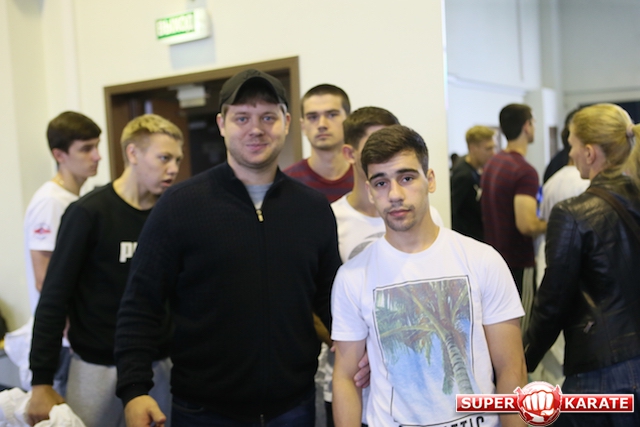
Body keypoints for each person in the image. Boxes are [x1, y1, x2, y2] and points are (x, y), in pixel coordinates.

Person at [115, 69, 368, 427]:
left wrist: (358, 349)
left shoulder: (312, 208)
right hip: (204, 410)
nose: (256, 129)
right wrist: (134, 389)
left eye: (268, 117)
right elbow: (140, 302)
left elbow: (330, 297)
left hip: (293, 407)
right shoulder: (180, 205)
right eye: (242, 118)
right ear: (222, 124)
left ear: (286, 122)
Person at [331, 125, 526, 427]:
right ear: (370, 191)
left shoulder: (483, 260)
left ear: (430, 180)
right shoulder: (352, 277)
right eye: (381, 183)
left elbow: (511, 369)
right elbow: (345, 378)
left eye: (406, 178)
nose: (394, 195)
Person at [28, 114, 184, 427]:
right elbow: (54, 297)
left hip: (158, 365)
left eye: (177, 160)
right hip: (97, 368)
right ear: (133, 153)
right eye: (164, 158)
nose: (173, 169)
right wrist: (41, 381)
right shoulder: (88, 213)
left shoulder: (171, 215)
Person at [524, 103, 640, 426]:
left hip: (602, 371)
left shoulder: (573, 213)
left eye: (572, 145)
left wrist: (521, 362)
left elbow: (552, 303)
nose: (570, 153)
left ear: (590, 153)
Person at [23, 111, 101, 396]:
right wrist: (71, 332)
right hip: (65, 342)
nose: (97, 156)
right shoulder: (51, 202)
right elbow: (44, 279)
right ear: (59, 155)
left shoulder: (74, 200)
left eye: (97, 146)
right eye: (86, 149)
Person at [481, 103, 546, 297]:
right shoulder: (525, 171)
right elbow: (527, 225)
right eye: (533, 122)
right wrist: (554, 222)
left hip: (495, 261)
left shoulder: (493, 162)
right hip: (518, 264)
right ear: (527, 126)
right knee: (523, 316)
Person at [284, 84, 353, 202]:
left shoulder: (366, 179)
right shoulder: (285, 184)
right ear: (303, 126)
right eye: (313, 117)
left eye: (332, 115)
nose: (322, 125)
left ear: (348, 121)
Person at [450, 125, 496, 241]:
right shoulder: (464, 176)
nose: (493, 153)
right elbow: (454, 213)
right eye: (488, 149)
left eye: (493, 148)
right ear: (473, 148)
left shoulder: (474, 169)